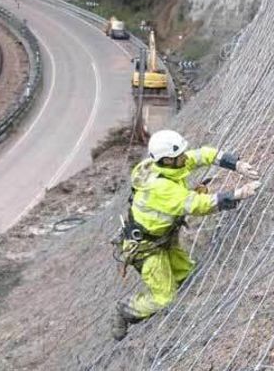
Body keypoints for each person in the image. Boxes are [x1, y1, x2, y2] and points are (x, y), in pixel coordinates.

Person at [111, 129, 261, 340]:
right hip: (146, 250)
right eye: (179, 156)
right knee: (164, 297)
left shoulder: (171, 167)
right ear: (166, 160)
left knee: (186, 273)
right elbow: (197, 205)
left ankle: (183, 313)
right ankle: (126, 310)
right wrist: (237, 194)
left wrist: (234, 163)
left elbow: (201, 155)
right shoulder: (159, 186)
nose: (184, 157)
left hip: (163, 239)